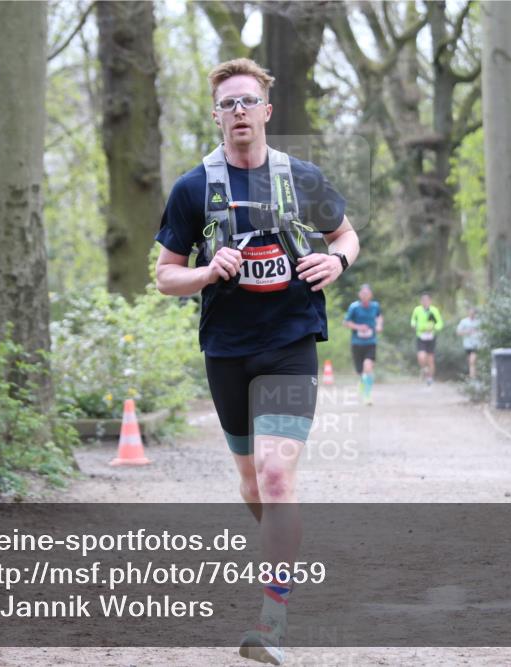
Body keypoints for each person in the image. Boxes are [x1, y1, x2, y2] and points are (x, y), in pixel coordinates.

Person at [154, 58, 359, 665]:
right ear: (216, 116)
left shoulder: (303, 178)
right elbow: (165, 276)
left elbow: (346, 235)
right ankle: (281, 541)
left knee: (275, 476)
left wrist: (337, 262)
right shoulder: (193, 189)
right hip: (226, 349)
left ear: (267, 111)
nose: (239, 111)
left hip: (290, 342)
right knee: (252, 484)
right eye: (228, 104)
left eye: (248, 101)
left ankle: (273, 621)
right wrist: (206, 272)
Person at [344, 284, 383, 405]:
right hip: (357, 343)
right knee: (360, 372)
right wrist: (358, 327)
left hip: (371, 342)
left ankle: (367, 395)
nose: (365, 296)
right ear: (359, 295)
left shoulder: (375, 306)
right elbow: (346, 322)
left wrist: (379, 325)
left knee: (368, 367)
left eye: (367, 293)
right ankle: (362, 382)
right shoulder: (354, 307)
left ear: (371, 295)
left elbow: (379, 317)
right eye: (363, 293)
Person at [410, 293, 443, 385]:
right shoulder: (417, 310)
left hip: (431, 336)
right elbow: (413, 320)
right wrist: (414, 325)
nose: (425, 302)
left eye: (427, 300)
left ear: (430, 301)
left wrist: (433, 328)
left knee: (430, 359)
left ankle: (430, 378)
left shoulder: (434, 310)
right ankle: (424, 369)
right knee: (421, 356)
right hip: (421, 336)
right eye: (423, 300)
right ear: (421, 301)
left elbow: (440, 323)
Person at [457, 307, 482, 379]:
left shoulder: (479, 321)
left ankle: (473, 379)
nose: (472, 314)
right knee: (471, 362)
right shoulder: (464, 321)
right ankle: (474, 377)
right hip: (467, 345)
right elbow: (458, 332)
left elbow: (483, 331)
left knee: (472, 361)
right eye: (470, 313)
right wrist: (467, 332)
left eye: (473, 313)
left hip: (476, 344)